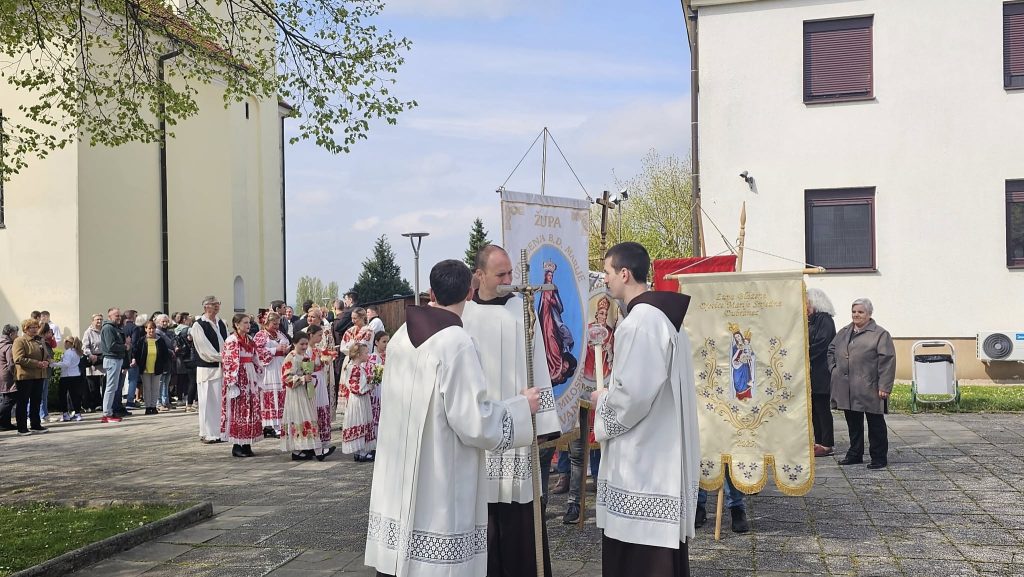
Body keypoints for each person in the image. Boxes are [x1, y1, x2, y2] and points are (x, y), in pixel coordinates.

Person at [364, 259, 540, 577]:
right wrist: (520, 407)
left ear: (431, 293)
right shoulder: (456, 343)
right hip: (440, 476)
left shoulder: (400, 336)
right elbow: (474, 422)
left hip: (397, 475)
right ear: (470, 293)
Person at [591, 242, 700, 577]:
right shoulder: (663, 319)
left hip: (644, 463)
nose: (605, 280)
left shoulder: (640, 323)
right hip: (658, 452)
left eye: (607, 272)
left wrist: (603, 401)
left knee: (640, 557)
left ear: (624, 274)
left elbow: (633, 397)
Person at [462, 244, 561, 576]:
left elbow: (539, 366)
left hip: (518, 434)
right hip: (480, 431)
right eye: (500, 274)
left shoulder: (523, 310)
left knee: (520, 514)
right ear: (479, 275)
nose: (508, 280)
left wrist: (542, 422)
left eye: (510, 273)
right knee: (483, 516)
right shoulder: (464, 316)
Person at [829, 298, 895, 470]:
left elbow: (887, 361)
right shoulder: (844, 331)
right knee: (853, 423)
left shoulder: (880, 334)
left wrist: (884, 386)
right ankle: (854, 454)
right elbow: (831, 349)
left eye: (860, 312)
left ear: (869, 314)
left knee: (875, 423)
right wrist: (834, 369)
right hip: (847, 387)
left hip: (870, 386)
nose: (856, 315)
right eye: (854, 311)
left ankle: (879, 457)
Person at [220, 313, 265, 457]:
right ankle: (237, 445)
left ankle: (247, 443)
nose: (248, 325)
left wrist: (259, 373)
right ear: (237, 324)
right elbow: (228, 362)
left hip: (249, 375)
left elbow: (255, 357)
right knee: (239, 409)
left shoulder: (249, 339)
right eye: (245, 322)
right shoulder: (232, 340)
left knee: (250, 408)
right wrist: (231, 382)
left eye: (248, 322)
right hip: (239, 376)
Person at [190, 296, 228, 444]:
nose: (217, 306)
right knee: (207, 402)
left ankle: (219, 432)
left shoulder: (221, 323)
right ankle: (207, 433)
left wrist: (228, 356)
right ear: (206, 307)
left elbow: (226, 343)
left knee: (219, 402)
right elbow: (204, 350)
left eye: (218, 303)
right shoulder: (198, 325)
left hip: (221, 368)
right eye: (214, 304)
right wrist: (223, 357)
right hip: (207, 369)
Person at [279, 330, 321, 461]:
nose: (304, 346)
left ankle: (306, 447)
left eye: (306, 344)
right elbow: (286, 378)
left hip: (304, 391)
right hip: (295, 393)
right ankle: (298, 449)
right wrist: (302, 378)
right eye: (301, 344)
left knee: (307, 416)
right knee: (299, 416)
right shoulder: (291, 357)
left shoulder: (304, 356)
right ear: (294, 343)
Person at [807, 288, 838, 458]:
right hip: (813, 371)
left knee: (822, 408)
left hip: (821, 371)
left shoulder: (825, 320)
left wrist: (804, 354)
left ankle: (827, 444)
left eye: (807, 302)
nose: (805, 306)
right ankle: (818, 441)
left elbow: (822, 343)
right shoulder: (812, 320)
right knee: (814, 408)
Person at [538, 261, 576, 385]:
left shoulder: (554, 288)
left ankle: (556, 366)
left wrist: (552, 301)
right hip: (544, 317)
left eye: (551, 276)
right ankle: (550, 368)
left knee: (552, 338)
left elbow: (560, 306)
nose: (550, 277)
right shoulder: (541, 288)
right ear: (545, 276)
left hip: (553, 318)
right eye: (548, 275)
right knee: (546, 339)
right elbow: (541, 305)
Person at [254, 311, 290, 438]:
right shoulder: (261, 335)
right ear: (267, 323)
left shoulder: (280, 334)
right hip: (269, 368)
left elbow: (286, 344)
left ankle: (280, 424)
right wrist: (275, 350)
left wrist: (286, 349)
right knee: (271, 394)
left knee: (280, 394)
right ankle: (269, 425)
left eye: (278, 324)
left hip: (280, 365)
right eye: (274, 324)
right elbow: (257, 350)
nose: (276, 326)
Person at [304, 324, 336, 459]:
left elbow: (321, 362)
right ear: (311, 335)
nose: (321, 337)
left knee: (322, 407)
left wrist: (326, 360)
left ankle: (321, 443)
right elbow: (306, 367)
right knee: (314, 409)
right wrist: (319, 362)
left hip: (320, 380)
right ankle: (313, 445)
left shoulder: (317, 349)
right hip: (313, 381)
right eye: (319, 335)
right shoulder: (306, 350)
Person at [12, 319, 50, 435]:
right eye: (31, 327)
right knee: (23, 402)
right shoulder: (20, 341)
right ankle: (22, 428)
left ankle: (36, 425)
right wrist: (37, 363)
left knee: (36, 401)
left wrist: (47, 362)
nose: (34, 329)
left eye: (36, 327)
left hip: (39, 375)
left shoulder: (39, 340)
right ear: (25, 329)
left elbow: (47, 355)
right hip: (25, 376)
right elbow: (18, 358)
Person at [341, 342, 376, 461]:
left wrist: (369, 380)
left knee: (362, 420)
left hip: (359, 399)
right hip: (358, 400)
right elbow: (357, 388)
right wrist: (370, 385)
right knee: (360, 419)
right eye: (366, 353)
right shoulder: (354, 368)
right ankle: (362, 452)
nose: (368, 355)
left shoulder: (356, 367)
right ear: (358, 355)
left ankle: (360, 451)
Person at [132, 321, 171, 415]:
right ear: (145, 329)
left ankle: (153, 406)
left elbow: (165, 354)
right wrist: (139, 362)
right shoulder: (142, 340)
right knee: (147, 388)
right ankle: (148, 407)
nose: (151, 330)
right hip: (145, 368)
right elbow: (137, 353)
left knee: (155, 388)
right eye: (149, 328)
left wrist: (162, 364)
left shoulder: (160, 340)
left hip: (157, 367)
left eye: (153, 328)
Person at [100, 308, 128, 424]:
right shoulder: (108, 328)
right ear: (110, 316)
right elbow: (111, 345)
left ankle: (109, 412)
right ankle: (107, 414)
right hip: (112, 359)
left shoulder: (114, 328)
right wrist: (124, 346)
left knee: (113, 387)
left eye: (119, 315)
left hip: (116, 359)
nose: (119, 318)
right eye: (116, 315)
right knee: (110, 387)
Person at [50, 336, 87, 421]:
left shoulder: (68, 352)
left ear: (67, 343)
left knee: (62, 395)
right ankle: (77, 413)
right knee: (75, 396)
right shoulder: (77, 352)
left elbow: (66, 364)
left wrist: (54, 364)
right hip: (76, 375)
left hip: (66, 376)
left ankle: (65, 414)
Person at [82, 314, 105, 412]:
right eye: (97, 319)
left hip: (103, 358)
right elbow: (85, 347)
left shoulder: (104, 330)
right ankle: (96, 404)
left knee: (104, 383)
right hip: (93, 359)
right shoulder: (88, 332)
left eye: (101, 319)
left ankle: (104, 403)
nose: (99, 321)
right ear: (92, 321)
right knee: (93, 385)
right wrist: (91, 355)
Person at [0, 324, 20, 431]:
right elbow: (11, 364)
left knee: (6, 398)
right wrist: (16, 374)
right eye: (16, 333)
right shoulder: (8, 346)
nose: (17, 336)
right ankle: (3, 422)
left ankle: (5, 423)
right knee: (9, 399)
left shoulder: (1, 344)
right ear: (11, 334)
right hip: (8, 376)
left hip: (2, 375)